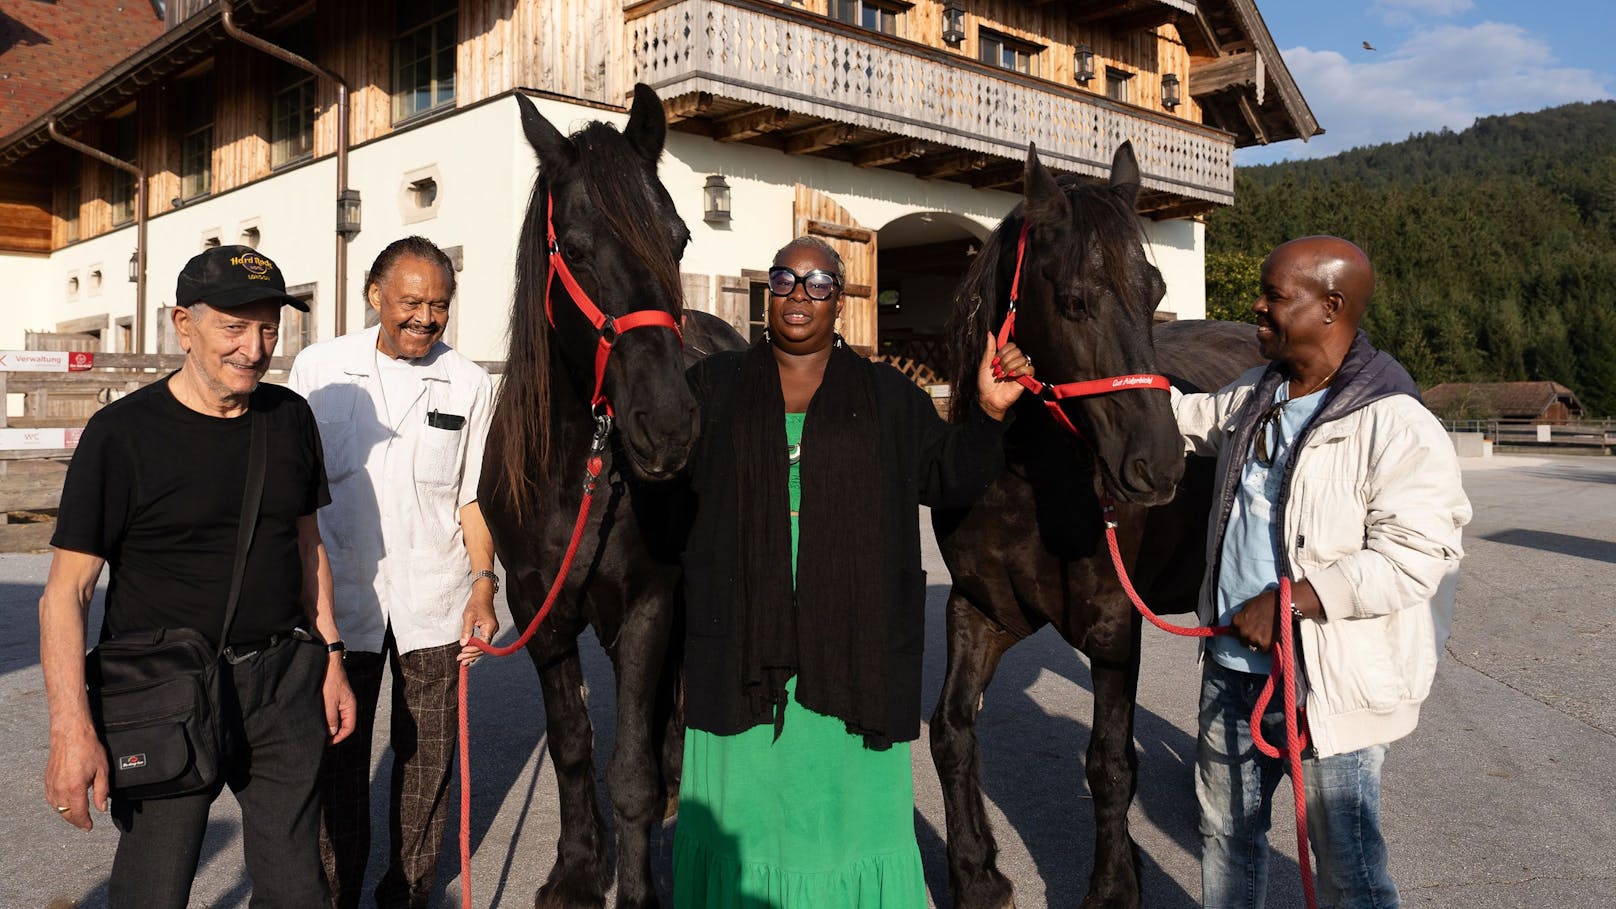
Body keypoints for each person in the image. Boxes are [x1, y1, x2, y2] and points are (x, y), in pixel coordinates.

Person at [673, 236, 1033, 906]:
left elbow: (948, 476)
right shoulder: (712, 387)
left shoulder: (888, 396)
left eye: (817, 283)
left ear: (839, 300)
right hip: (741, 639)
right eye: (784, 279)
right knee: (747, 799)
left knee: (839, 806)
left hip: (851, 644)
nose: (799, 295)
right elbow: (665, 481)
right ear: (767, 296)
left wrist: (986, 413)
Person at [40, 245, 357, 907]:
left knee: (300, 888)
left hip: (280, 683)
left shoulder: (289, 418)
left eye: (269, 326)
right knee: (153, 890)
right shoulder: (121, 435)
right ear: (184, 324)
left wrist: (330, 652)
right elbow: (66, 593)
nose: (255, 346)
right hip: (165, 693)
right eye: (234, 327)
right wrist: (72, 731)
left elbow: (307, 547)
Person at [1173, 236, 1472, 909]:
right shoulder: (1256, 393)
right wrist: (1072, 392)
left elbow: (1417, 554)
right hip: (1233, 666)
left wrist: (1294, 598)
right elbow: (1179, 419)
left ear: (1330, 307)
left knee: (1348, 867)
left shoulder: (1397, 423)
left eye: (1274, 294)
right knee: (1226, 835)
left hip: (1330, 685)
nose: (1256, 304)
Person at [288, 236, 497, 909]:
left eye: (439, 304)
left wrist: (485, 583)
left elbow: (473, 496)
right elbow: (293, 497)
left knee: (427, 758)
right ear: (376, 295)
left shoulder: (468, 382)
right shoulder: (319, 368)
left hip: (434, 600)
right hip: (338, 603)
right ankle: (334, 894)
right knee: (338, 756)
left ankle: (404, 892)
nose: (426, 318)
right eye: (412, 302)